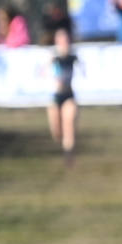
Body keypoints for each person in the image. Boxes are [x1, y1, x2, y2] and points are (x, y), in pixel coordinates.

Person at [48, 27, 80, 168]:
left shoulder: (74, 58)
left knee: (69, 124)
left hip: (69, 95)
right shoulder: (53, 58)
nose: (64, 42)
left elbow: (84, 74)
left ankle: (69, 156)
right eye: (61, 39)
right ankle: (62, 143)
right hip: (55, 97)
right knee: (56, 132)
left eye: (66, 39)